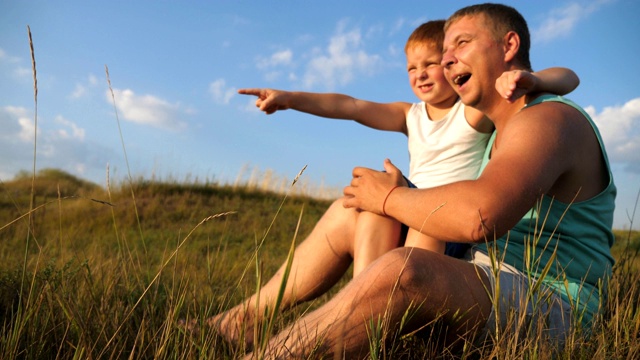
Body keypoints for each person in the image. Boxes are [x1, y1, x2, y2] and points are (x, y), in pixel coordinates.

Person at [207, 5, 615, 357]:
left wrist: (390, 198)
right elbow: (353, 106)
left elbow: (480, 216)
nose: (447, 58)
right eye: (445, 51)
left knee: (405, 270)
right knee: (348, 212)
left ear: (508, 47)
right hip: (478, 272)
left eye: (461, 44)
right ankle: (241, 320)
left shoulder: (547, 118)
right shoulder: (496, 130)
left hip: (551, 303)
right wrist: (293, 99)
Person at [236, 20, 579, 277]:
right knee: (372, 208)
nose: (421, 74)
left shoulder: (471, 111)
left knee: (423, 224)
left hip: (447, 219)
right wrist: (291, 99)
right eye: (412, 68)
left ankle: (393, 318)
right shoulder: (408, 115)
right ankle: (365, 304)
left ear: (452, 65)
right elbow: (350, 105)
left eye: (431, 64)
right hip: (409, 205)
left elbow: (569, 77)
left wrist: (531, 79)